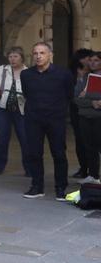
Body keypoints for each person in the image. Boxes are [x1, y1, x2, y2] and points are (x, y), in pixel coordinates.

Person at [21, 42, 76, 200]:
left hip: (55, 119)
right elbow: (27, 93)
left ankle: (60, 188)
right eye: (35, 53)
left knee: (59, 153)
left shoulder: (63, 74)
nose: (38, 56)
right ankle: (37, 187)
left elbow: (69, 94)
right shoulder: (26, 75)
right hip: (33, 119)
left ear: (50, 55)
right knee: (34, 154)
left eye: (42, 53)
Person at [0, 46, 28, 176]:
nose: (12, 59)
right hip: (2, 107)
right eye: (10, 56)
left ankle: (30, 168)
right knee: (2, 137)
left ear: (21, 58)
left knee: (25, 139)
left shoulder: (28, 72)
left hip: (21, 109)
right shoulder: (2, 70)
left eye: (15, 56)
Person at [75, 50, 101, 184]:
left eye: (96, 60)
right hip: (85, 116)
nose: (92, 63)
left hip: (99, 117)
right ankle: (93, 175)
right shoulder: (84, 77)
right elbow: (77, 99)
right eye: (91, 60)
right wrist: (92, 102)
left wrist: (88, 96)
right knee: (89, 146)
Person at [70, 48, 94, 179]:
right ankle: (83, 168)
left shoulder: (93, 73)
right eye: (88, 58)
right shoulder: (71, 74)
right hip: (75, 111)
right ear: (80, 59)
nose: (91, 61)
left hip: (92, 110)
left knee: (92, 141)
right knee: (80, 140)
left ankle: (93, 170)